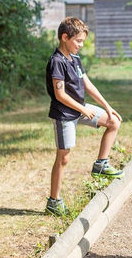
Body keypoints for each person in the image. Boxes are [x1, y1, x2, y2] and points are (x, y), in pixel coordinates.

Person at [45, 17, 123, 216]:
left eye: (82, 42)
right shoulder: (57, 61)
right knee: (64, 158)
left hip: (80, 108)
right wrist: (82, 109)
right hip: (64, 113)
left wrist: (107, 107)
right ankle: (54, 201)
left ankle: (101, 164)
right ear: (65, 37)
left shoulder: (75, 59)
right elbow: (60, 94)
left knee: (113, 121)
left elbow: (87, 84)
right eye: (78, 41)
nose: (81, 45)